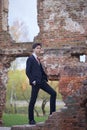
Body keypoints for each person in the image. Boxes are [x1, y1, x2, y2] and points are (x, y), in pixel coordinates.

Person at [26, 43, 56, 125]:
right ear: (34, 49)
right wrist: (33, 81)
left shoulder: (38, 59)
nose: (39, 49)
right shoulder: (30, 59)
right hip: (35, 83)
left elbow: (40, 70)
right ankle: (31, 120)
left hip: (42, 82)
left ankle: (52, 114)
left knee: (53, 93)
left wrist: (45, 77)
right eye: (37, 48)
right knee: (33, 101)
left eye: (40, 48)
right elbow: (28, 72)